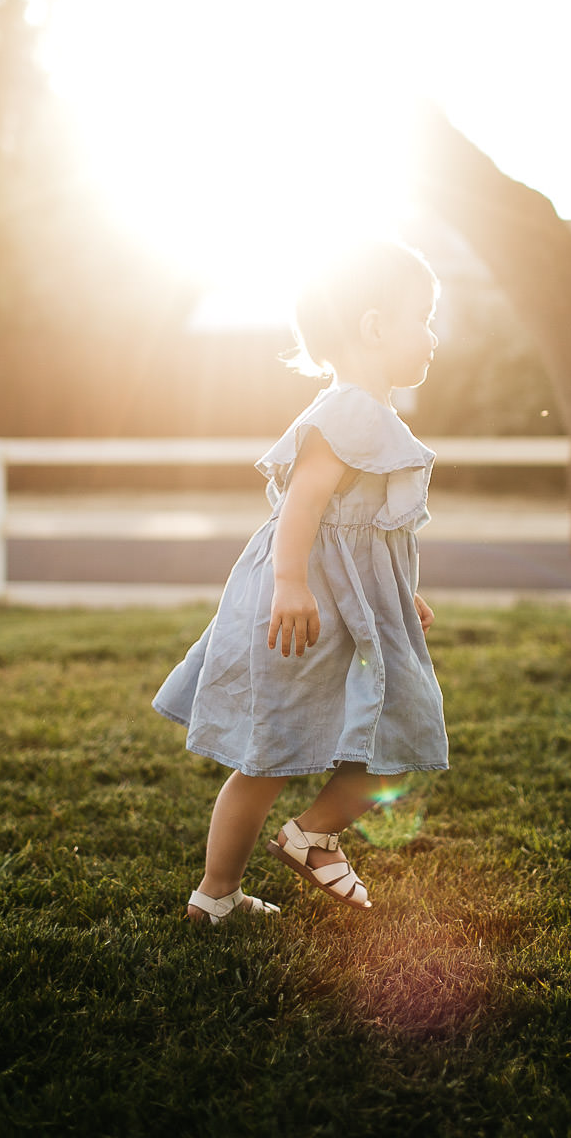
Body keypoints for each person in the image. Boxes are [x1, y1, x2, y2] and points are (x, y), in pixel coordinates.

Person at [153, 240, 449, 925]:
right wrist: (290, 583)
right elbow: (303, 507)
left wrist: (397, 593)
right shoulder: (349, 412)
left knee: (281, 754)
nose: (433, 336)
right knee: (365, 738)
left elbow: (366, 530)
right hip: (307, 604)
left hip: (342, 603)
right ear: (374, 327)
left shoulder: (364, 413)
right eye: (424, 318)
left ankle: (221, 894)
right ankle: (300, 843)